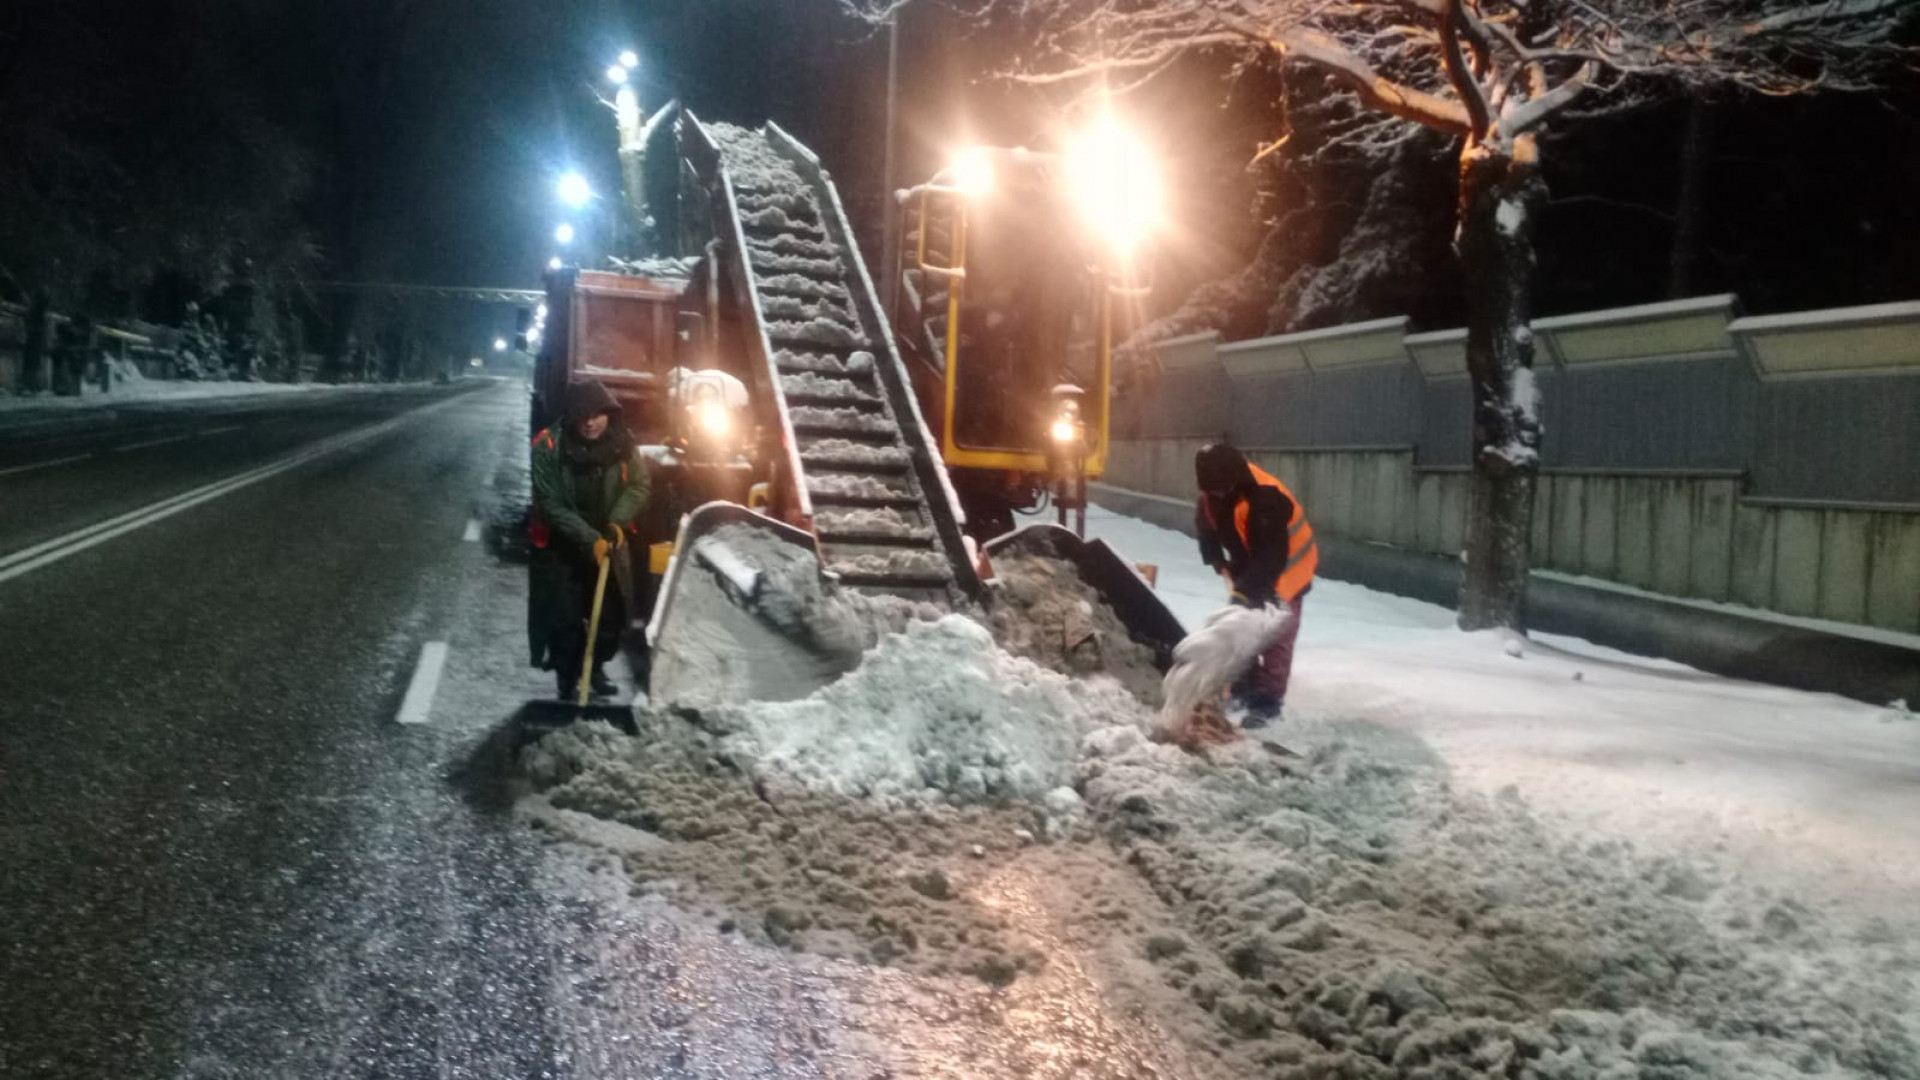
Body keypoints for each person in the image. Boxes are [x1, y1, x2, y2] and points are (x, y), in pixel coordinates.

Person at [529, 379, 650, 699]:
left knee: (610, 622)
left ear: (609, 414)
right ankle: (567, 681)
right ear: (571, 417)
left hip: (608, 543)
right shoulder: (549, 446)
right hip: (564, 545)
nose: (590, 422)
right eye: (583, 416)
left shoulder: (623, 444)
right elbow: (550, 503)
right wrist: (588, 539)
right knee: (565, 622)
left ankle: (593, 667)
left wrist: (616, 523)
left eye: (597, 415)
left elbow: (639, 486)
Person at [1192, 443, 1318, 728]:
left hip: (1288, 569)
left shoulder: (1266, 498)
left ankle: (1267, 702)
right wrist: (1213, 556)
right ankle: (1242, 689)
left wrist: (1243, 593)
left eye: (1219, 491)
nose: (1215, 496)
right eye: (1211, 492)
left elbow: (1270, 557)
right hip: (1252, 563)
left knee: (1275, 635)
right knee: (1241, 629)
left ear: (1234, 480)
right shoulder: (1215, 491)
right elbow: (1206, 521)